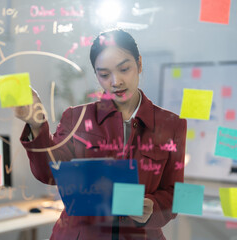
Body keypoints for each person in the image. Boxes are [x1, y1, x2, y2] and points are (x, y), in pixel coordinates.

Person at [14, 29, 187, 240]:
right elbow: (48, 173)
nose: (116, 81)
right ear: (96, 75)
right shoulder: (76, 118)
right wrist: (36, 125)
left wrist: (154, 207)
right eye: (104, 74)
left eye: (124, 69)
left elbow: (175, 195)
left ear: (139, 64)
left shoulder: (172, 126)